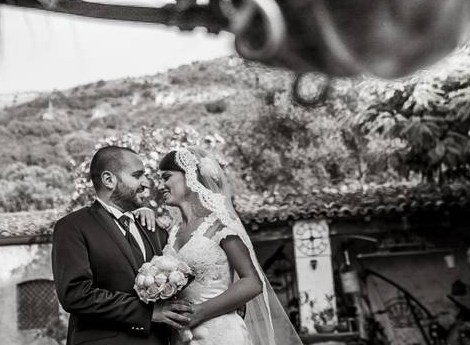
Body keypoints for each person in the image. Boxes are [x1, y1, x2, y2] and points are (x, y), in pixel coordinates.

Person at [156, 147, 304, 345]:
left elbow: (253, 282)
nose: (161, 185)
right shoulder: (171, 232)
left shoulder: (221, 224)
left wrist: (199, 313)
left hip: (221, 333)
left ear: (191, 176)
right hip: (182, 338)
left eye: (166, 177)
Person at [52, 146, 193, 345]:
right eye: (137, 175)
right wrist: (147, 313)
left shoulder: (153, 228)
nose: (146, 183)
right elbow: (75, 294)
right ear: (109, 180)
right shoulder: (72, 227)